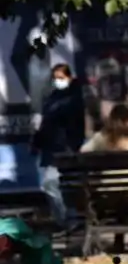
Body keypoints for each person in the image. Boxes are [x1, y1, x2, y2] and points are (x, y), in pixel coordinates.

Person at [81, 104, 128, 253]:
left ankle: (119, 241)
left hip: (110, 193)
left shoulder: (101, 140)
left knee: (120, 200)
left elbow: (83, 151)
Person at [32, 64, 85, 226]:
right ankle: (67, 220)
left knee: (51, 184)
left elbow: (69, 124)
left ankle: (68, 221)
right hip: (52, 148)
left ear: (70, 78)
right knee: (52, 185)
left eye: (61, 78)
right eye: (55, 78)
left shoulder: (73, 98)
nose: (57, 81)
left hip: (64, 149)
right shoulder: (53, 97)